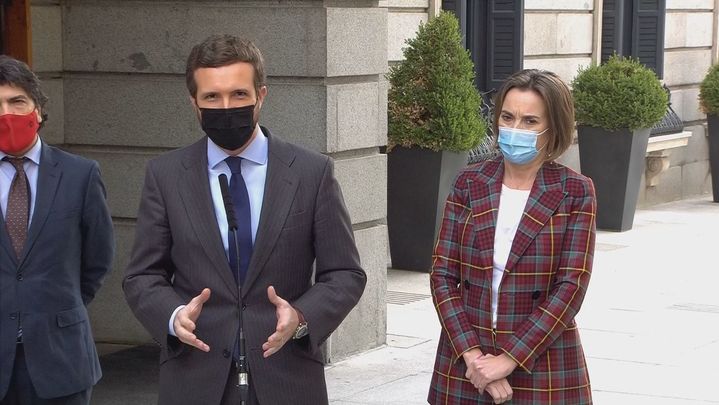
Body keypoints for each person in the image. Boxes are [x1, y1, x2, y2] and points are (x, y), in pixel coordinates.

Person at [123, 34, 367, 405]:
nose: (226, 107)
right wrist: (173, 316)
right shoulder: (166, 175)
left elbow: (345, 273)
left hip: (286, 378)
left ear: (261, 95)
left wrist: (301, 317)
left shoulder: (311, 172)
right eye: (212, 97)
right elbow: (142, 276)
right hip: (195, 377)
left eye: (238, 94)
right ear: (194, 102)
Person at [428, 69, 596, 404]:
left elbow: (571, 286)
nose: (515, 129)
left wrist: (508, 359)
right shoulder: (468, 183)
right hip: (466, 362)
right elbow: (442, 275)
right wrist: (474, 358)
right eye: (507, 117)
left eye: (530, 121)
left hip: (542, 362)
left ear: (553, 128)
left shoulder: (575, 191)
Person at [0, 55, 114, 405]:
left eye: (17, 101)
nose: (6, 114)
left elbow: (98, 258)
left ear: (37, 109)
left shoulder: (81, 174)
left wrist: (56, 306)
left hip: (61, 358)